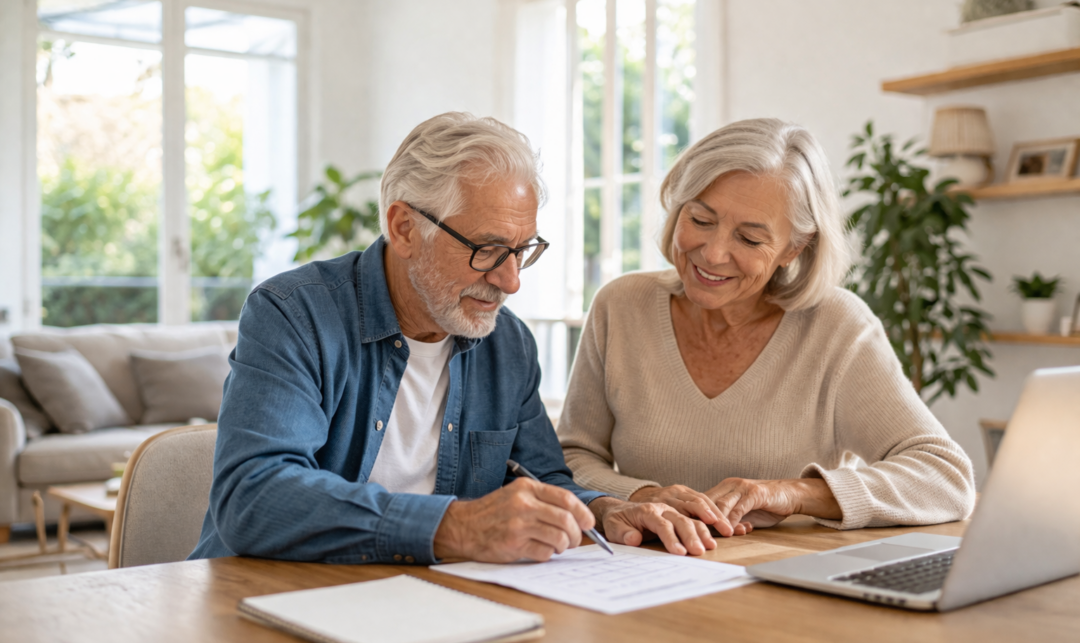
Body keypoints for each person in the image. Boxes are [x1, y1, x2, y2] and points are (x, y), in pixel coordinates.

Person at [190, 112, 714, 565]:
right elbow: (253, 498)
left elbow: (544, 478)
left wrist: (602, 508)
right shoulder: (294, 314)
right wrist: (456, 527)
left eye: (522, 249)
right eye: (486, 249)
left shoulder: (507, 344)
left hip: (428, 602)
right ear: (404, 229)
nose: (511, 281)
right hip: (265, 599)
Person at [559, 118, 977, 537]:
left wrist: (794, 493)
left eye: (750, 239)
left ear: (794, 247)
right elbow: (569, 457)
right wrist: (640, 495)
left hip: (785, 579)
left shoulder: (836, 326)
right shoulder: (621, 306)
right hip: (647, 571)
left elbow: (945, 479)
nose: (714, 253)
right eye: (701, 220)